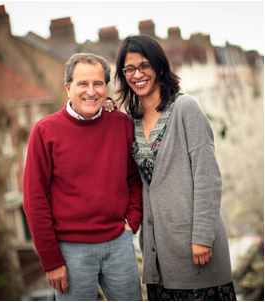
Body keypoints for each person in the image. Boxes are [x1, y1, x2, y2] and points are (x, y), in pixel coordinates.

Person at [105, 34, 237, 301]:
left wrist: (202, 237)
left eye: (144, 66)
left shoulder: (185, 108)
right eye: (129, 69)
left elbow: (208, 178)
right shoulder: (129, 121)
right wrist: (104, 109)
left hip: (196, 246)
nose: (137, 74)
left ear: (159, 66)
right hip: (158, 251)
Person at [23, 53, 143, 301]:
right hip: (70, 252)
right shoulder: (45, 132)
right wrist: (51, 261)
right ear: (68, 88)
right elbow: (35, 200)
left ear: (106, 87)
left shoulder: (121, 124)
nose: (91, 91)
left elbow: (134, 179)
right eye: (82, 84)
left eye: (98, 83)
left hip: (118, 244)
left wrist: (132, 219)